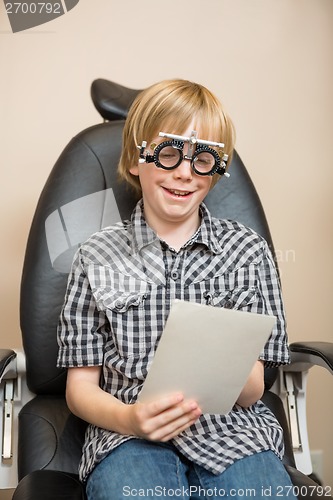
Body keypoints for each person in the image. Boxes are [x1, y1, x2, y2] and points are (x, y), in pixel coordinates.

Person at [57, 79, 297, 499]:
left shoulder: (247, 252)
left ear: (216, 170)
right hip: (126, 434)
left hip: (232, 430)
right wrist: (130, 420)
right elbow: (79, 390)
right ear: (136, 159)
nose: (185, 172)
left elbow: (255, 388)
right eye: (168, 154)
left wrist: (229, 359)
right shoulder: (95, 255)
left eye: (204, 159)